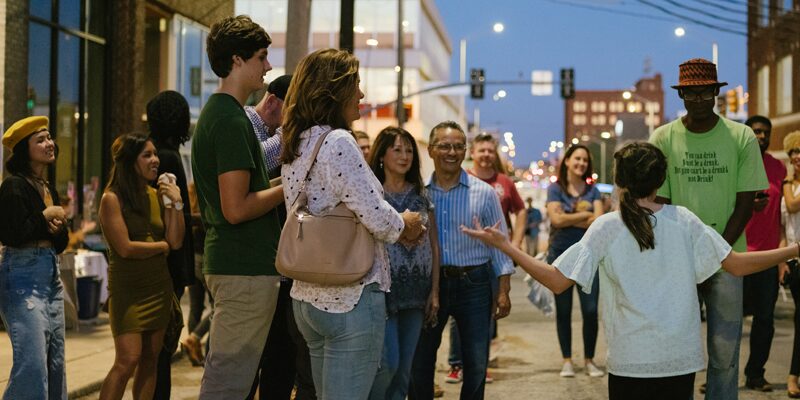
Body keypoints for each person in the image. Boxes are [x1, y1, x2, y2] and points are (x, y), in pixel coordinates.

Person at [462, 141, 800, 400]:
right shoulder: (684, 221)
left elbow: (556, 280)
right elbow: (736, 265)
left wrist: (505, 246)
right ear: (661, 179)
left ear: (620, 179)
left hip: (630, 360)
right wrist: (795, 249)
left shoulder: (607, 227)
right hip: (679, 359)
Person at [280, 48, 424, 400]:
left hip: (306, 297)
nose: (361, 94)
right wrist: (404, 221)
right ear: (334, 89)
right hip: (350, 297)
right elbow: (377, 217)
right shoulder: (339, 141)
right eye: (355, 84)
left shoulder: (297, 141)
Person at [649, 58, 768, 399]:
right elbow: (661, 203)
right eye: (690, 93)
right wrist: (688, 253)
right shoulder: (663, 137)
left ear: (716, 93)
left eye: (705, 93)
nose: (698, 100)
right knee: (677, 349)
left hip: (728, 258)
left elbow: (745, 202)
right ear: (681, 95)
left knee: (724, 350)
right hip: (676, 258)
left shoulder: (741, 137)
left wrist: (714, 252)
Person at [190, 15, 285, 400]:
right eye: (261, 56)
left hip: (240, 266)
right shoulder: (229, 119)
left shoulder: (226, 116)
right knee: (228, 385)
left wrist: (284, 183)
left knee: (231, 381)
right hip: (242, 268)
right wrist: (292, 185)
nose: (268, 66)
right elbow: (236, 207)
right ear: (236, 61)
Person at [408, 121, 515, 400]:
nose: (451, 152)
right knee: (421, 361)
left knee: (476, 362)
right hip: (430, 286)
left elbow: (500, 244)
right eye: (444, 146)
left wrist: (503, 290)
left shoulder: (484, 193)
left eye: (458, 146)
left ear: (464, 151)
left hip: (475, 284)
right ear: (431, 150)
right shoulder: (419, 194)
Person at [244, 74, 317, 400]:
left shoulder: (277, 133)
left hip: (282, 269)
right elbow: (253, 162)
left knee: (280, 361)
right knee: (246, 365)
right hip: (251, 266)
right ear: (273, 100)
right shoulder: (245, 123)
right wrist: (293, 133)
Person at [97, 134, 185, 400]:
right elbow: (125, 247)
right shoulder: (111, 199)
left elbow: (176, 240)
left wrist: (176, 203)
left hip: (158, 287)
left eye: (155, 154)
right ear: (129, 161)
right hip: (128, 289)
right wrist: (161, 248)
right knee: (127, 360)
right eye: (147, 155)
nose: (155, 160)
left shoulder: (155, 194)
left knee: (151, 358)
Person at [446, 132, 527, 384]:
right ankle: (456, 363)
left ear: (495, 154)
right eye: (481, 150)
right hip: (467, 257)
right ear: (473, 153)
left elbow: (521, 210)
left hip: (496, 258)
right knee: (457, 315)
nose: (486, 155)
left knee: (489, 312)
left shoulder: (504, 182)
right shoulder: (464, 180)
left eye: (490, 151)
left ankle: (480, 363)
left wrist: (515, 244)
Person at [367, 126, 440, 400]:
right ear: (382, 155)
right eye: (396, 149)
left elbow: (434, 244)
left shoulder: (421, 193)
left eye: (409, 150)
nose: (404, 155)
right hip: (382, 292)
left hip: (417, 293)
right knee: (387, 365)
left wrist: (435, 290)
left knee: (404, 371)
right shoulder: (371, 193)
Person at [0, 116, 69, 399]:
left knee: (55, 363)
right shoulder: (13, 186)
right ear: (23, 150)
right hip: (22, 276)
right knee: (32, 364)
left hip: (50, 274)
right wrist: (45, 217)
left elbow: (60, 243)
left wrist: (58, 227)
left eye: (49, 137)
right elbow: (12, 235)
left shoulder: (48, 188)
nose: (49, 143)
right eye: (40, 140)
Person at [146, 90, 196, 399]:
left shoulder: (156, 152)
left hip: (162, 260)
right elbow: (171, 212)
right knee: (161, 349)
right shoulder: (166, 157)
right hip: (167, 262)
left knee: (158, 350)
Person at [545, 144, 604, 378]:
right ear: (567, 161)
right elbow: (556, 220)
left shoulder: (594, 191)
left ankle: (589, 360)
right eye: (577, 159)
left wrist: (568, 218)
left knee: (590, 311)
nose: (581, 163)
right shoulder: (555, 189)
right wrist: (584, 216)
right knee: (564, 310)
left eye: (585, 160)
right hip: (560, 256)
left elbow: (598, 223)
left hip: (588, 257)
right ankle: (567, 360)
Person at [741, 115, 785, 392]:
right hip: (738, 254)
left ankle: (756, 373)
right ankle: (720, 373)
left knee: (765, 320)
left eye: (765, 132)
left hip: (768, 256)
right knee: (728, 322)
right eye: (756, 131)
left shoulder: (778, 168)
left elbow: (781, 214)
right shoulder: (736, 163)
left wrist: (782, 257)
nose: (761, 136)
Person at [780, 130, 800, 398]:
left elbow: (793, 205)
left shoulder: (789, 187)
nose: (797, 157)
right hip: (794, 261)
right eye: (793, 152)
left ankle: (792, 376)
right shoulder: (789, 184)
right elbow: (783, 226)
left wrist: (786, 184)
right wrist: (781, 261)